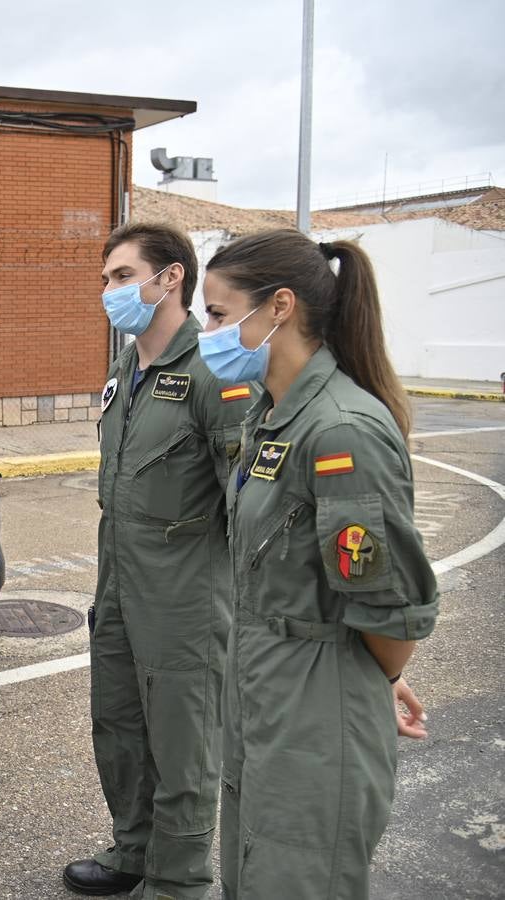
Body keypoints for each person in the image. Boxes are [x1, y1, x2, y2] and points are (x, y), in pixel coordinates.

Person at [201, 229, 437, 899]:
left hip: (311, 723)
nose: (206, 330)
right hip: (265, 702)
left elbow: (389, 609)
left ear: (278, 307)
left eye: (217, 314)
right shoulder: (270, 417)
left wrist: (362, 681)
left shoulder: (338, 430)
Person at [64, 222, 248, 899]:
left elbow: (245, 502)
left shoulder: (214, 370)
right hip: (118, 581)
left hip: (184, 596)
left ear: (169, 278)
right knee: (117, 726)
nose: (107, 292)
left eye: (120, 276)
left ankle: (177, 881)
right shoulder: (126, 368)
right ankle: (133, 851)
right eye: (106, 280)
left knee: (183, 746)